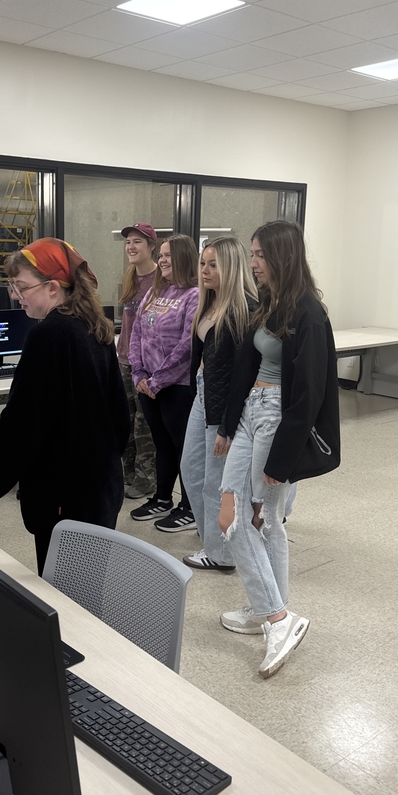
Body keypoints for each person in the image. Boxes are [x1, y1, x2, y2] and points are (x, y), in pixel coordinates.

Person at [0, 237, 130, 574]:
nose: (15, 295)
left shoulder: (50, 336)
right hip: (100, 489)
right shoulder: (94, 327)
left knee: (64, 598)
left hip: (64, 499)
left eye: (21, 286)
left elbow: (17, 431)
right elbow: (119, 417)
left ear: (53, 288)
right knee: (83, 590)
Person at [218, 220, 340, 679]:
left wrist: (283, 458)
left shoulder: (309, 312)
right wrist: (229, 425)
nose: (253, 264)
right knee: (233, 513)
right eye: (252, 255)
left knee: (260, 518)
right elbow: (248, 368)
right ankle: (272, 609)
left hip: (278, 419)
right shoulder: (269, 304)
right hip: (254, 411)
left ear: (282, 257)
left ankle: (273, 615)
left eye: (260, 256)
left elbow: (309, 394)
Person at [180, 237, 257, 570]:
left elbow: (242, 376)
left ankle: (221, 554)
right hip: (203, 393)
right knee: (191, 469)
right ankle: (211, 537)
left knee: (215, 480)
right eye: (203, 263)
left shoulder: (244, 310)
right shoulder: (207, 302)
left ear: (232, 267)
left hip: (225, 402)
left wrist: (227, 425)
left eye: (214, 264)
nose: (205, 270)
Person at [128, 234, 199, 531]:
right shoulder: (156, 292)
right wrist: (139, 374)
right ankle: (162, 499)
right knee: (162, 445)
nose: (163, 260)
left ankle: (190, 507)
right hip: (149, 385)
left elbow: (188, 346)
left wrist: (157, 380)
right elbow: (137, 335)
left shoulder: (195, 294)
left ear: (183, 258)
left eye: (170, 255)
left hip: (177, 387)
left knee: (184, 448)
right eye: (163, 255)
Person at [116, 223, 158, 501]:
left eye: (137, 242)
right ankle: (127, 476)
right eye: (128, 242)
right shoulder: (130, 276)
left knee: (144, 426)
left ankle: (146, 480)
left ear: (152, 247)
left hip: (147, 365)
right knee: (124, 422)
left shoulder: (162, 279)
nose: (131, 247)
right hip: (124, 359)